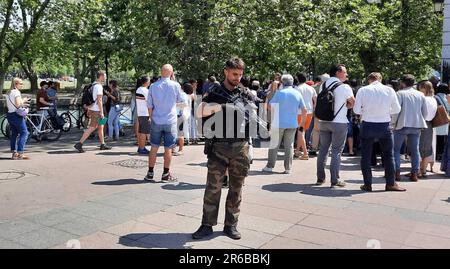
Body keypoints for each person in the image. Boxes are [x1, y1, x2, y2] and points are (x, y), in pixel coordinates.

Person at [192, 57, 255, 240]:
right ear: (226, 71)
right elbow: (199, 111)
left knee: (236, 188)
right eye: (235, 74)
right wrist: (221, 107)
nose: (237, 78)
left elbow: (254, 115)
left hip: (240, 146)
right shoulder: (214, 92)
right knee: (213, 188)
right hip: (218, 146)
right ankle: (207, 225)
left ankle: (231, 225)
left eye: (240, 74)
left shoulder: (245, 93)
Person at [353, 72, 406, 192]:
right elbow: (397, 109)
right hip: (384, 125)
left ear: (369, 80)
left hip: (367, 124)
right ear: (380, 79)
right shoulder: (389, 90)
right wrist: (385, 110)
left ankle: (367, 184)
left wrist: (366, 110)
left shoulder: (363, 90)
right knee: (388, 155)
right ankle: (390, 183)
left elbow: (356, 110)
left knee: (366, 156)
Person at [144, 64, 186, 182]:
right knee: (168, 148)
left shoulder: (153, 86)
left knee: (154, 147)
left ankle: (150, 173)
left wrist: (151, 117)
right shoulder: (175, 85)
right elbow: (180, 101)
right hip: (170, 120)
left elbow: (149, 105)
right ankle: (165, 174)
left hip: (156, 120)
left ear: (161, 72)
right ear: (171, 73)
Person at [316, 65, 355, 188]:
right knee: (336, 151)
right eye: (345, 72)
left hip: (323, 121)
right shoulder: (345, 87)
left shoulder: (323, 85)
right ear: (338, 73)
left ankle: (320, 178)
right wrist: (346, 106)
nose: (346, 75)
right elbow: (352, 103)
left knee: (323, 150)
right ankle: (335, 179)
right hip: (339, 122)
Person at [262, 74, 307, 174]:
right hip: (292, 123)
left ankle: (270, 166)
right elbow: (304, 110)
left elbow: (269, 106)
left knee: (274, 144)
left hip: (278, 122)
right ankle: (288, 168)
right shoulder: (297, 93)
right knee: (289, 146)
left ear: (282, 82)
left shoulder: (279, 93)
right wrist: (302, 122)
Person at [393, 74, 428, 182]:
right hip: (416, 124)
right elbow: (425, 113)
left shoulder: (400, 93)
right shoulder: (420, 95)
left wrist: (392, 123)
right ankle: (414, 173)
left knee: (396, 150)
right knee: (415, 150)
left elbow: (396, 111)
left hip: (402, 124)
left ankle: (397, 172)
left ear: (403, 82)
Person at [74, 71, 112, 153]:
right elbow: (99, 100)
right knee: (92, 127)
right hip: (97, 110)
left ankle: (102, 144)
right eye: (104, 76)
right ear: (101, 76)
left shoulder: (93, 84)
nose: (105, 78)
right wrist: (101, 112)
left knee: (101, 126)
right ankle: (79, 143)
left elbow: (92, 99)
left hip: (93, 109)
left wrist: (89, 109)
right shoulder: (99, 87)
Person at [5, 78, 30, 160]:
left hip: (10, 114)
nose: (22, 85)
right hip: (16, 115)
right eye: (20, 83)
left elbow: (9, 105)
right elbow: (18, 105)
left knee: (14, 134)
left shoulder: (8, 92)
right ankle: (20, 153)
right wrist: (24, 100)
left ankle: (14, 153)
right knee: (24, 133)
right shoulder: (16, 92)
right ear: (16, 84)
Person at [418, 81, 438, 178]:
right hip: (430, 124)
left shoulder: (423, 99)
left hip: (421, 123)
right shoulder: (433, 99)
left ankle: (417, 171)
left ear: (424, 88)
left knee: (418, 148)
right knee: (427, 148)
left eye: (420, 88)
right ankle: (424, 171)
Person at [295, 72, 316, 160]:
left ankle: (305, 152)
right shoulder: (311, 88)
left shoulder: (297, 89)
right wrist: (313, 109)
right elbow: (315, 100)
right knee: (303, 131)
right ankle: (297, 151)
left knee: (301, 132)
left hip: (300, 112)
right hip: (310, 112)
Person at [136, 76, 151, 155]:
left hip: (140, 113)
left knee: (141, 131)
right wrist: (150, 115)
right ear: (147, 82)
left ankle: (140, 147)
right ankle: (142, 148)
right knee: (144, 132)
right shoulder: (146, 91)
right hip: (145, 113)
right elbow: (149, 104)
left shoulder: (138, 89)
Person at [435, 83, 450, 160]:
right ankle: (441, 155)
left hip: (438, 121)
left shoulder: (436, 97)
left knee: (436, 139)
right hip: (446, 121)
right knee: (443, 139)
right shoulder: (447, 97)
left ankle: (436, 154)